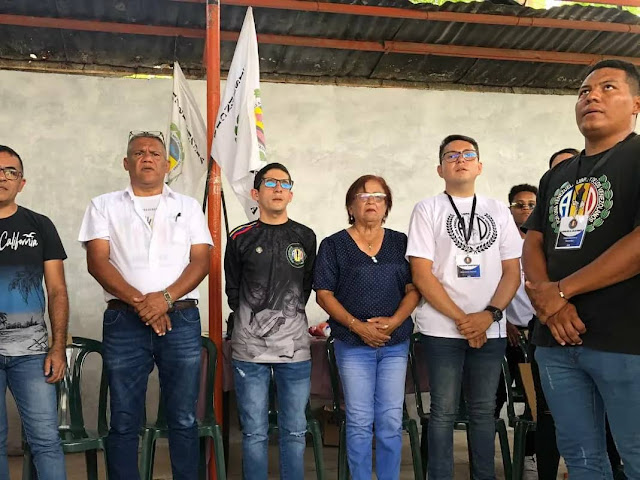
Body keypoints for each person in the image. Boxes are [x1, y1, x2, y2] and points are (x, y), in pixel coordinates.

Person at [522, 59, 640, 480]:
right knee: (582, 458)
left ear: (636, 104)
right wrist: (550, 303)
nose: (591, 96)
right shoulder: (556, 176)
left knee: (636, 453)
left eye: (608, 88)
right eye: (584, 91)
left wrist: (562, 291)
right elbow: (534, 240)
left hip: (625, 340)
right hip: (556, 340)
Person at [78, 131, 212, 480]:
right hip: (124, 321)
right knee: (123, 418)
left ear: (167, 164)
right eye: (139, 152)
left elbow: (201, 261)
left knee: (183, 417)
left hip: (180, 320)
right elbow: (98, 262)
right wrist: (143, 303)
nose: (147, 157)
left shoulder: (188, 206)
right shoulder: (103, 205)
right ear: (127, 163)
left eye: (155, 152)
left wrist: (164, 299)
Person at [407, 134, 522, 480]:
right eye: (451, 155)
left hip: (492, 328)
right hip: (442, 329)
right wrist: (463, 320)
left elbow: (512, 271)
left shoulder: (498, 210)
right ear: (440, 168)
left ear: (479, 166)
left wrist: (488, 316)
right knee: (441, 411)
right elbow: (421, 274)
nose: (460, 159)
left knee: (484, 411)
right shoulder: (427, 209)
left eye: (468, 154)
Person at [314, 175, 420, 480]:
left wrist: (395, 321)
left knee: (389, 420)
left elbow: (415, 288)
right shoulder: (334, 245)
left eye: (378, 195)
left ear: (387, 205)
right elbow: (323, 293)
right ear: (351, 205)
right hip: (352, 343)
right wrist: (358, 327)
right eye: (363, 196)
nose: (371, 201)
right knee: (359, 421)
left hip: (394, 342)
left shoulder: (401, 242)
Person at [225, 162, 316, 480]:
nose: (279, 188)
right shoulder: (240, 237)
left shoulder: (305, 236)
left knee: (294, 431)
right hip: (249, 352)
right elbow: (233, 290)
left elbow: (304, 288)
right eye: (271, 183)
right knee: (254, 433)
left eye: (285, 184)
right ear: (255, 192)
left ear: (291, 193)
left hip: (295, 351)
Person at [0, 145, 68, 479]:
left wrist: (57, 347)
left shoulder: (40, 225)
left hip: (33, 354)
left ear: (22, 182)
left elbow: (57, 289)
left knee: (45, 440)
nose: (3, 177)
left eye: (11, 171)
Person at [495, 184, 538, 477]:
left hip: (535, 335)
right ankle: (482, 457)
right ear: (509, 209)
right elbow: (490, 287)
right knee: (492, 399)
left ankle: (530, 457)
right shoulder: (500, 244)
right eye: (518, 204)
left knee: (536, 403)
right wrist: (504, 320)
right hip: (503, 332)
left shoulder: (542, 244)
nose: (525, 210)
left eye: (531, 204)